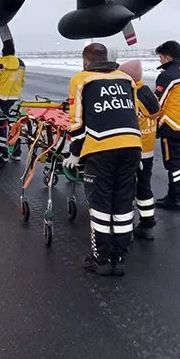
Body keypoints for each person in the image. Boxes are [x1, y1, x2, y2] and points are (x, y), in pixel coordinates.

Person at [63, 43, 141, 276]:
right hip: (131, 145)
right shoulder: (126, 79)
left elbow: (77, 122)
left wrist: (75, 152)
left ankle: (101, 260)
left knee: (100, 205)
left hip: (101, 148)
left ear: (85, 61)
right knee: (123, 204)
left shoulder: (81, 80)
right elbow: (133, 113)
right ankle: (119, 258)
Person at [119, 59, 161, 240]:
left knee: (125, 188)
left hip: (132, 150)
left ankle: (124, 227)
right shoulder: (148, 93)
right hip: (147, 150)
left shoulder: (131, 96)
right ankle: (147, 222)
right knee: (144, 187)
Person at [153, 41, 180, 211]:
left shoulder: (167, 76)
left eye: (160, 56)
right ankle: (174, 195)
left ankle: (175, 197)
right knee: (177, 162)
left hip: (171, 126)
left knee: (173, 164)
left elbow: (156, 102)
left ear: (166, 56)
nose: (159, 60)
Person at [0, 40, 26, 160]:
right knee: (15, 125)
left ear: (2, 51)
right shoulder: (21, 63)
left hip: (1, 98)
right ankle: (16, 152)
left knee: (1, 125)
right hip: (16, 98)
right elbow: (22, 81)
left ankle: (3, 153)